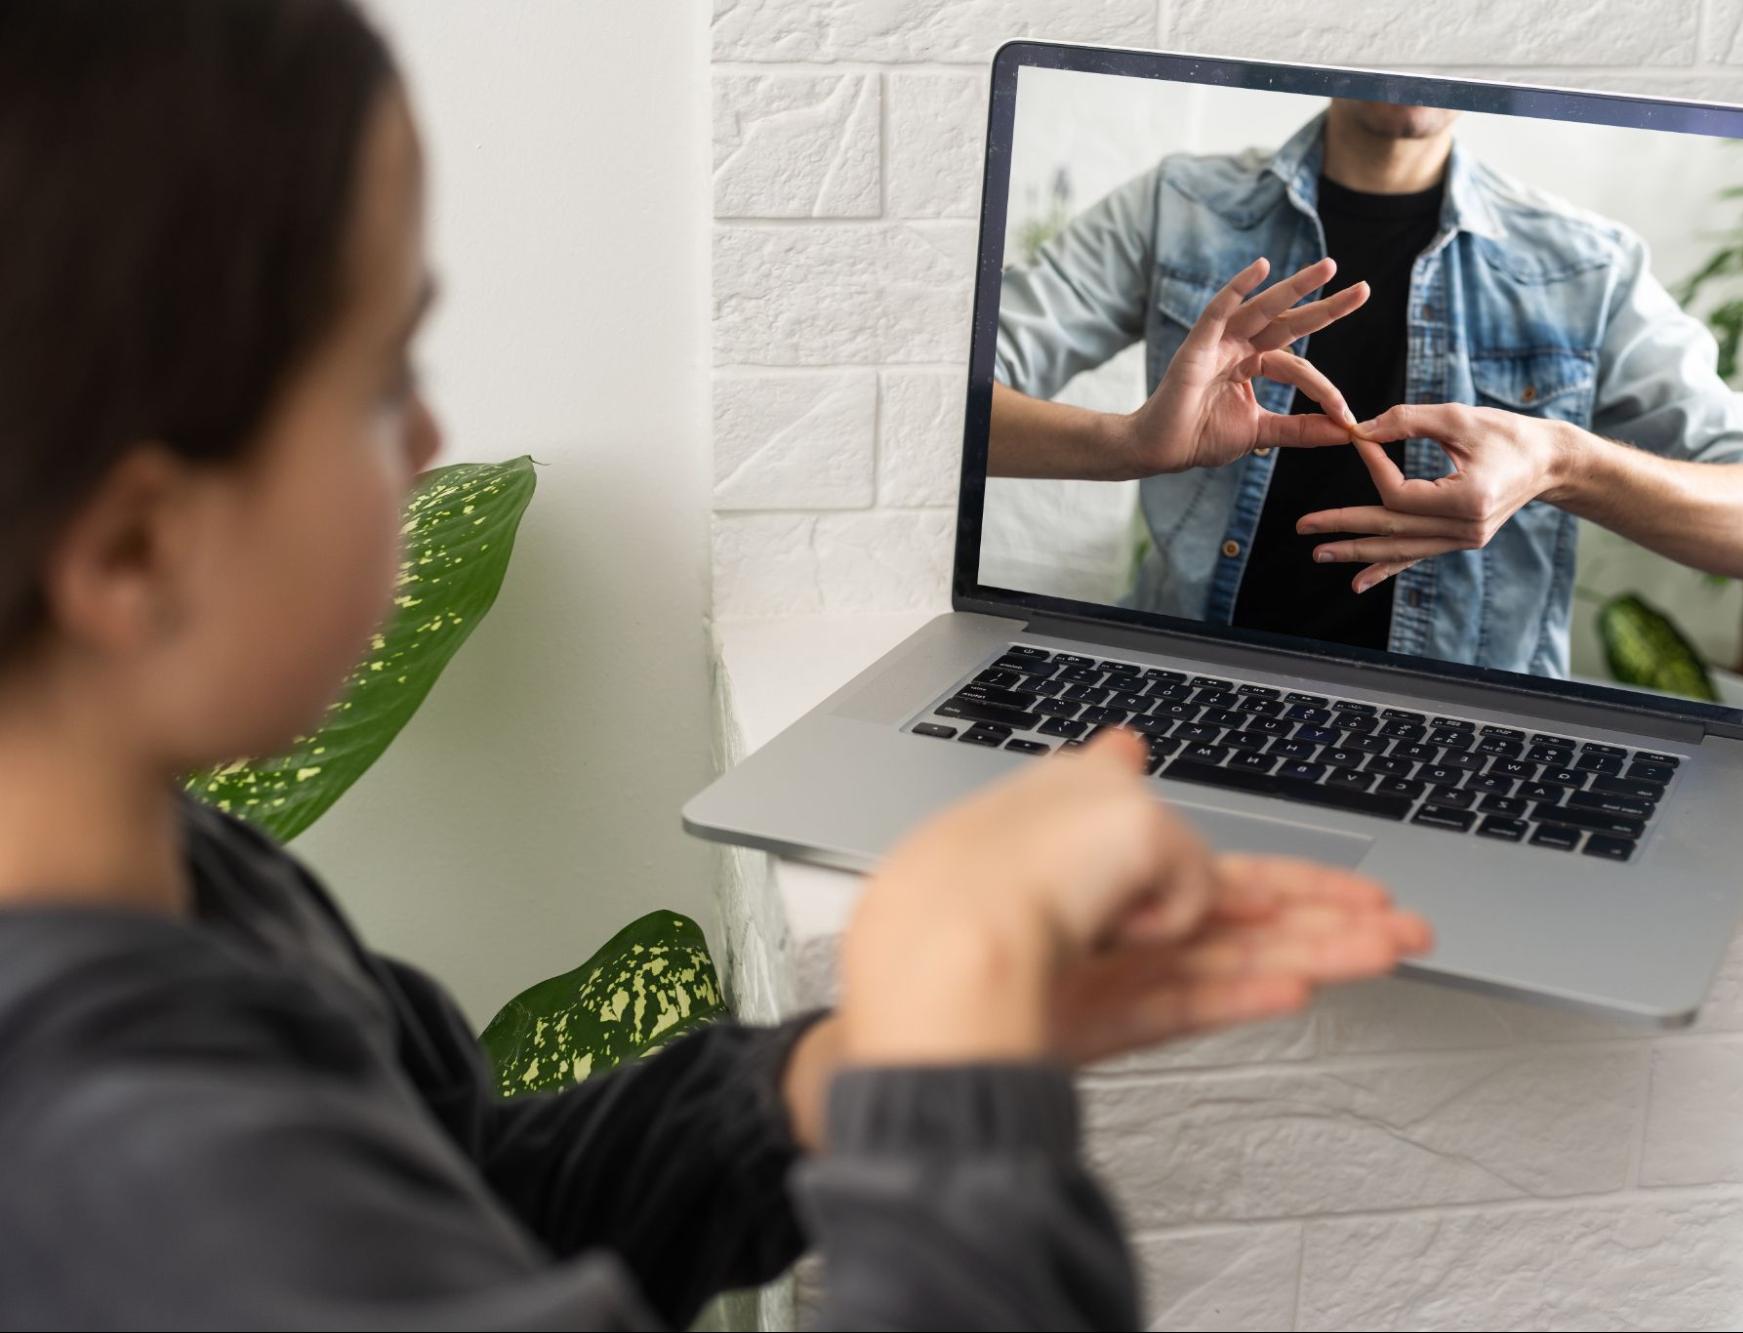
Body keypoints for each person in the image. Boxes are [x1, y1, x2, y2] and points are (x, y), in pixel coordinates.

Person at [0, 4, 1432, 1328]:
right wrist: (948, 1092)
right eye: (383, 377)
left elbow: (477, 1202)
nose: (431, 439)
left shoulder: (175, 880)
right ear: (133, 551)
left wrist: (842, 1072)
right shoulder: (149, 1193)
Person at [989, 98, 1743, 679]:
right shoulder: (1177, 207)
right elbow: (943, 405)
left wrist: (1565, 464)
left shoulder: (1586, 267)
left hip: (1472, 742)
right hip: (1180, 688)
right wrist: (1130, 444)